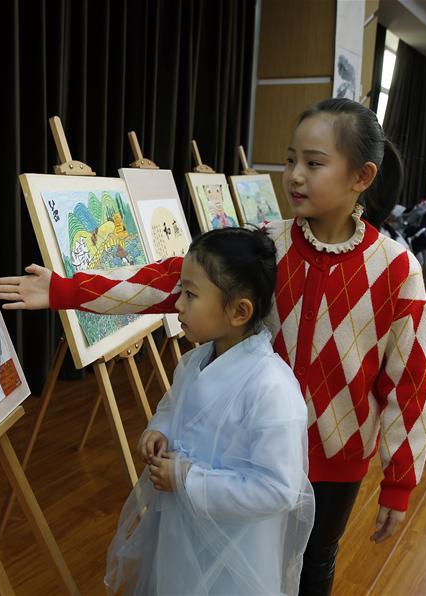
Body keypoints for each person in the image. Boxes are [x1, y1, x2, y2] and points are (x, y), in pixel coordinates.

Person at [0, 98, 426, 596]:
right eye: (291, 159)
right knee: (244, 560)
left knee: (314, 561)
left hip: (336, 461)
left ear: (361, 177)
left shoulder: (398, 270)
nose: (294, 175)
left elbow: (410, 383)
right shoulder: (268, 245)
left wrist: (399, 482)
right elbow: (168, 281)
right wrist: (65, 290)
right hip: (246, 453)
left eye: (314, 163)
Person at [104, 227, 314, 595]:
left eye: (190, 294)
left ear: (238, 310)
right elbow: (173, 406)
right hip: (180, 526)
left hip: (235, 547)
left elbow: (278, 489)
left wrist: (187, 478)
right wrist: (159, 429)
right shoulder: (194, 361)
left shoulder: (272, 388)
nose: (178, 305)